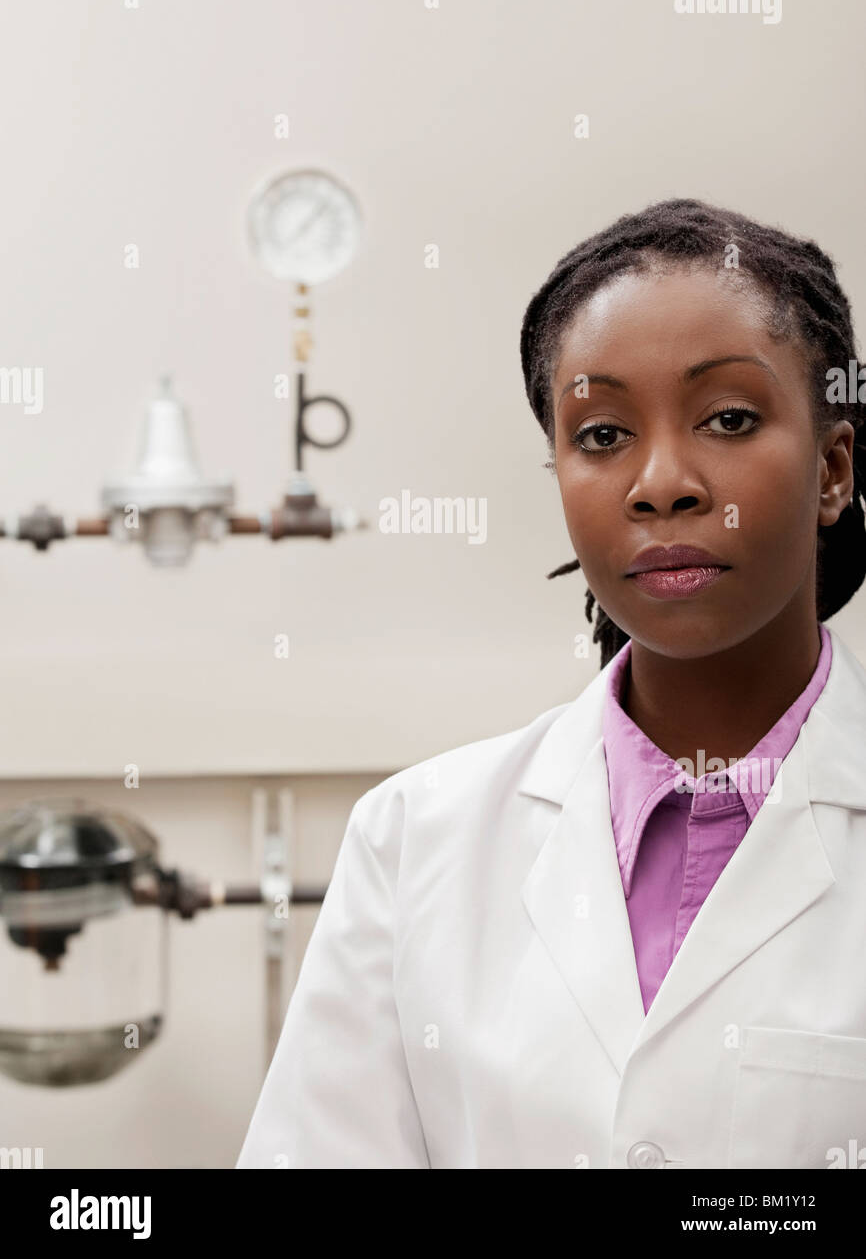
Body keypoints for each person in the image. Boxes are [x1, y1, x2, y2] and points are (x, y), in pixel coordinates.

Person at [236, 197, 866, 1169]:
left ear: (831, 470)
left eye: (728, 418)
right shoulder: (413, 841)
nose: (660, 482)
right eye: (602, 434)